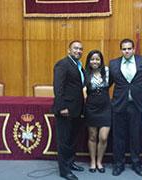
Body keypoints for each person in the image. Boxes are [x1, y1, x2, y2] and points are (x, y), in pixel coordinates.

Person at [109, 38, 142, 176]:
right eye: (124, 49)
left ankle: (136, 164)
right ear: (121, 50)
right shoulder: (113, 64)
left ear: (133, 49)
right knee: (118, 136)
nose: (126, 51)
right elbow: (107, 83)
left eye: (129, 48)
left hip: (136, 105)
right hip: (119, 105)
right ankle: (118, 164)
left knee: (135, 136)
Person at [52, 40, 86, 180]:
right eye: (75, 48)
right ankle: (64, 170)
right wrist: (62, 107)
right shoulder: (62, 64)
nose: (78, 51)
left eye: (80, 49)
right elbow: (58, 88)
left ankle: (70, 162)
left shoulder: (78, 65)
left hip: (77, 109)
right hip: (65, 109)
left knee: (72, 139)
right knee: (64, 141)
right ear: (69, 50)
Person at [84, 50, 111, 173]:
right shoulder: (85, 73)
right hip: (91, 108)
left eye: (97, 59)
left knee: (104, 137)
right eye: (92, 59)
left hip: (105, 107)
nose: (95, 61)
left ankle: (100, 161)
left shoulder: (107, 71)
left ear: (101, 61)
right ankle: (93, 162)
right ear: (89, 61)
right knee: (93, 136)